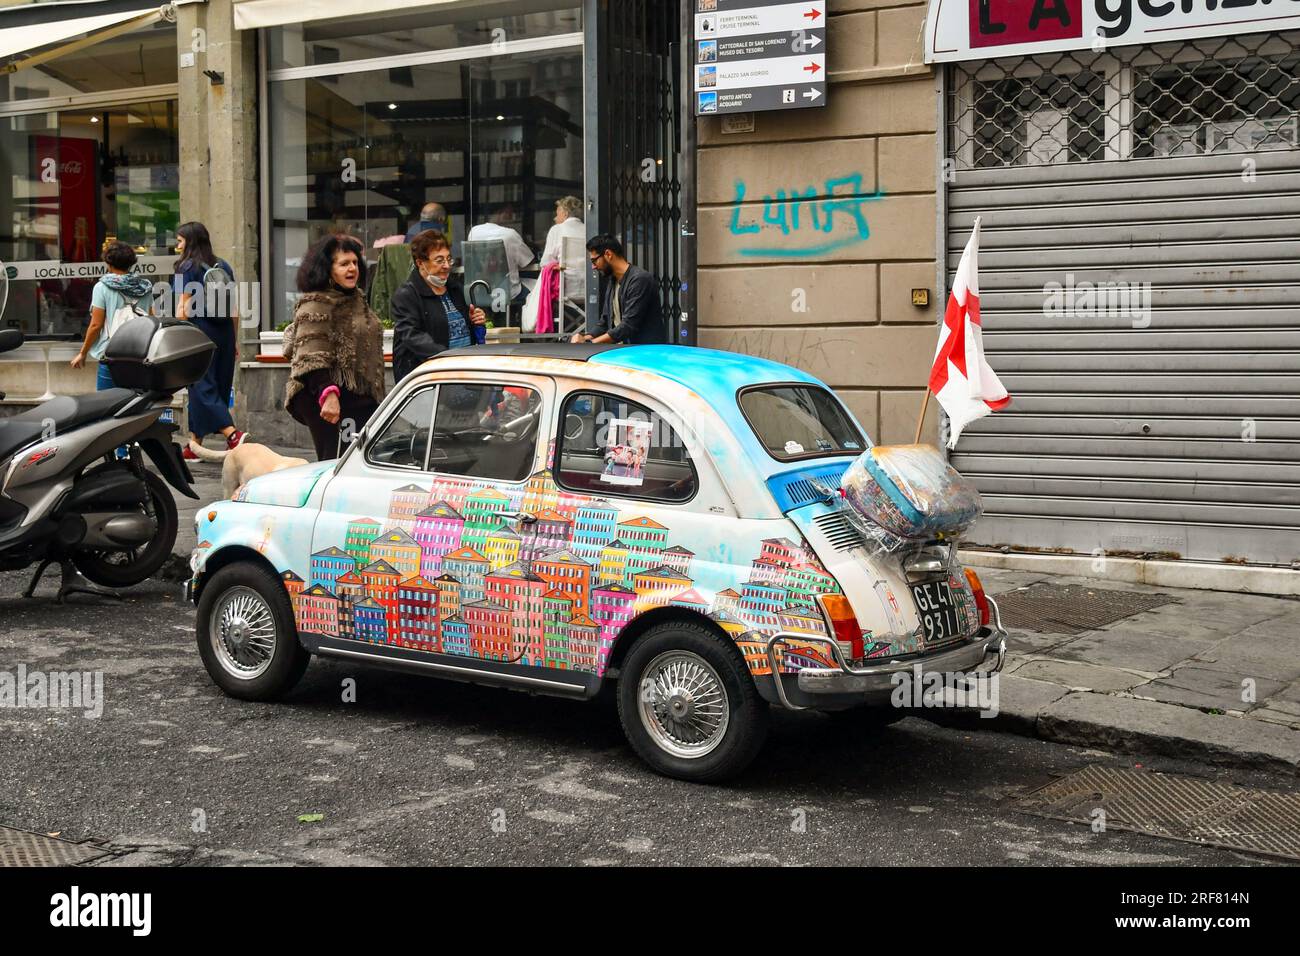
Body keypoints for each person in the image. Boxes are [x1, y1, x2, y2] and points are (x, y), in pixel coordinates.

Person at [283, 234, 387, 461]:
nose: (353, 269)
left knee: (361, 464)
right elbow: (311, 356)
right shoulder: (315, 303)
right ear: (326, 269)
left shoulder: (357, 299)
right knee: (337, 463)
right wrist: (328, 395)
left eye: (355, 263)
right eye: (343, 264)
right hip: (328, 401)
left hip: (361, 399)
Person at [173, 221, 246, 460]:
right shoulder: (222, 264)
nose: (178, 244)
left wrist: (177, 335)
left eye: (180, 240)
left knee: (200, 384)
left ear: (190, 242)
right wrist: (233, 340)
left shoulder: (186, 267)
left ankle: (232, 434)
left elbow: (183, 307)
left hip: (199, 331)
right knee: (216, 385)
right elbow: (234, 307)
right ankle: (194, 445)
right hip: (224, 330)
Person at [391, 229, 488, 382]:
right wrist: (448, 358)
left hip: (461, 374)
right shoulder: (407, 295)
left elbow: (457, 327)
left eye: (449, 259)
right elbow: (413, 336)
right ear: (420, 263)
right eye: (439, 260)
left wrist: (473, 321)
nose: (446, 266)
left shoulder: (454, 289)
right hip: (428, 379)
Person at [70, 241, 154, 389]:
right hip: (140, 353)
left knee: (106, 402)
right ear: (131, 263)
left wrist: (83, 352)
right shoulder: (145, 286)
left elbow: (96, 325)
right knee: (136, 401)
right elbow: (152, 319)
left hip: (112, 353)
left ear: (108, 263)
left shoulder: (102, 287)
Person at [570, 234, 665, 345]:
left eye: (594, 261)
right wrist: (585, 338)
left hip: (645, 353)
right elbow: (605, 322)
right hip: (624, 351)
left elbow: (629, 325)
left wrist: (590, 343)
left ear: (608, 254)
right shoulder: (613, 280)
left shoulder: (640, 279)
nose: (593, 266)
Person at [467, 205, 535, 302]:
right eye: (510, 214)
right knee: (537, 291)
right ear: (502, 213)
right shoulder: (510, 234)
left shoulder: (474, 232)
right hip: (508, 293)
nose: (512, 218)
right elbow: (528, 261)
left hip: (480, 289)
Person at [540, 195, 586, 305]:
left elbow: (546, 262)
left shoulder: (556, 229)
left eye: (557, 214)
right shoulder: (589, 230)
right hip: (589, 287)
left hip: (564, 288)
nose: (555, 218)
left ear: (565, 213)